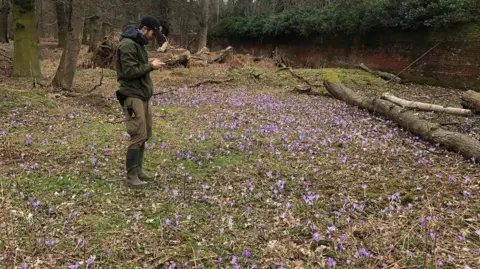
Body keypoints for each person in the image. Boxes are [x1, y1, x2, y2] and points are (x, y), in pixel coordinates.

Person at [115, 16, 166, 188]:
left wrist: (150, 66)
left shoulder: (138, 44)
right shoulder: (128, 45)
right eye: (153, 33)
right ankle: (131, 177)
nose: (153, 38)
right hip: (131, 95)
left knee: (145, 133)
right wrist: (150, 66)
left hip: (142, 95)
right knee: (137, 134)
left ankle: (138, 171)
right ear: (143, 28)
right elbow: (128, 72)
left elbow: (139, 69)